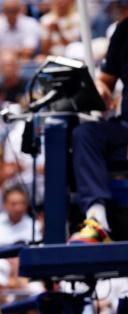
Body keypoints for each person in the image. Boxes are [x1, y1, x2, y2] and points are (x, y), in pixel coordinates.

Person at [69, 17, 128, 242]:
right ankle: (97, 220)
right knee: (85, 134)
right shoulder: (124, 31)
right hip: (124, 127)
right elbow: (106, 80)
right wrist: (100, 89)